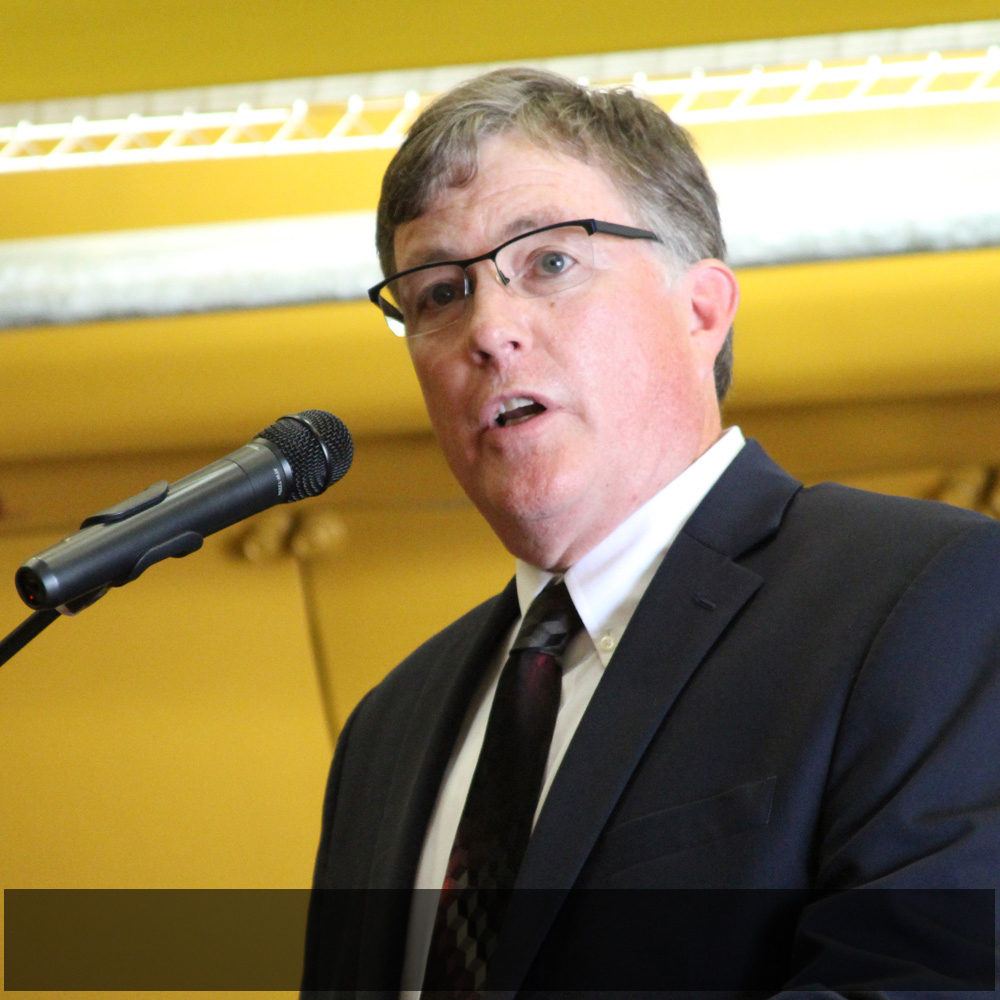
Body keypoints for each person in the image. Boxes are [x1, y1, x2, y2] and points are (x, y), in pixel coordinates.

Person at [301, 67, 1000, 998]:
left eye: (549, 263)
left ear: (702, 309)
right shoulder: (386, 731)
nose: (489, 328)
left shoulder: (926, 600)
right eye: (437, 293)